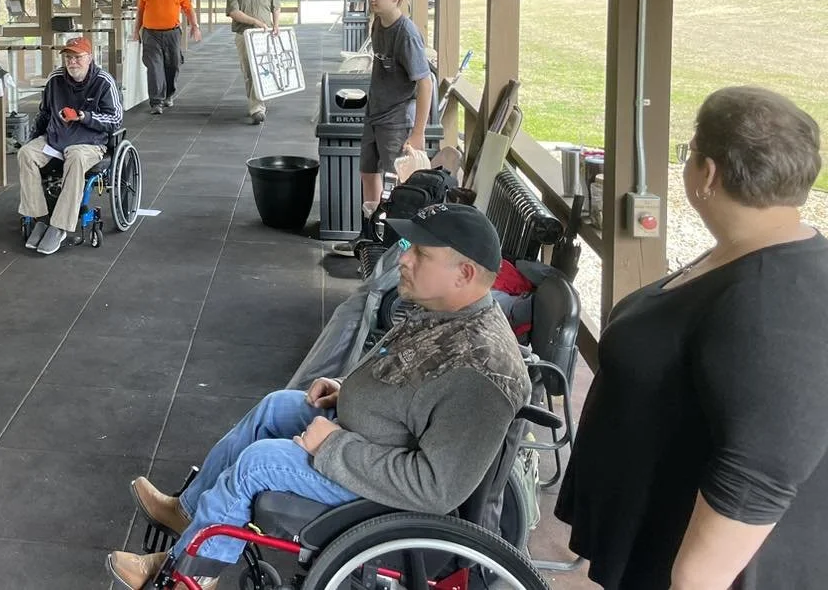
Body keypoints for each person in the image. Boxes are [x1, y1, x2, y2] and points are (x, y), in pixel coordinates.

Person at [107, 203, 530, 590]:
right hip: (369, 438)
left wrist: (331, 443)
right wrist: (348, 392)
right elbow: (410, 389)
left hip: (381, 485)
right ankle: (188, 513)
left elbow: (433, 488)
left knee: (259, 464)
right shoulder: (444, 311)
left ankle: (188, 577)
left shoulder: (482, 374)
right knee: (277, 406)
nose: (403, 258)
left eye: (420, 254)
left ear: (464, 274)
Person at [555, 87, 828, 590]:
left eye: (690, 152)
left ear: (707, 173)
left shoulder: (780, 299)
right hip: (650, 546)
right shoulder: (744, 252)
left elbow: (761, 473)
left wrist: (693, 579)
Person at [17, 36, 123, 257]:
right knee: (26, 153)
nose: (72, 62)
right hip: (56, 139)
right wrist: (35, 138)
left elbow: (115, 120)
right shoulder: (55, 79)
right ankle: (41, 218)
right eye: (68, 57)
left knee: (75, 156)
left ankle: (61, 226)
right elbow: (44, 112)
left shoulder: (104, 81)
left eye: (78, 57)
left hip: (89, 143)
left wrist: (84, 116)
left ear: (90, 58)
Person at [361, 0, 433, 211]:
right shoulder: (378, 23)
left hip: (397, 120)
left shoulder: (407, 34)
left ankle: (397, 244)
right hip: (375, 113)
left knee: (400, 183)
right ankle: (369, 236)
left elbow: (425, 83)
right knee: (369, 173)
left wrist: (418, 132)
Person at [134, 0, 201, 114]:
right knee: (154, 67)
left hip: (172, 33)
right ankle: (156, 101)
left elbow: (188, 9)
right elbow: (140, 11)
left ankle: (169, 94)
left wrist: (195, 26)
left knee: (173, 65)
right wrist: (136, 32)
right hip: (151, 34)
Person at [225, 0, 281, 125]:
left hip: (265, 35)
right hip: (245, 35)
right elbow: (234, 13)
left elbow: (276, 6)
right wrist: (255, 22)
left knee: (266, 68)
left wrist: (276, 24)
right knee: (250, 71)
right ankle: (256, 107)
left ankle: (260, 101)